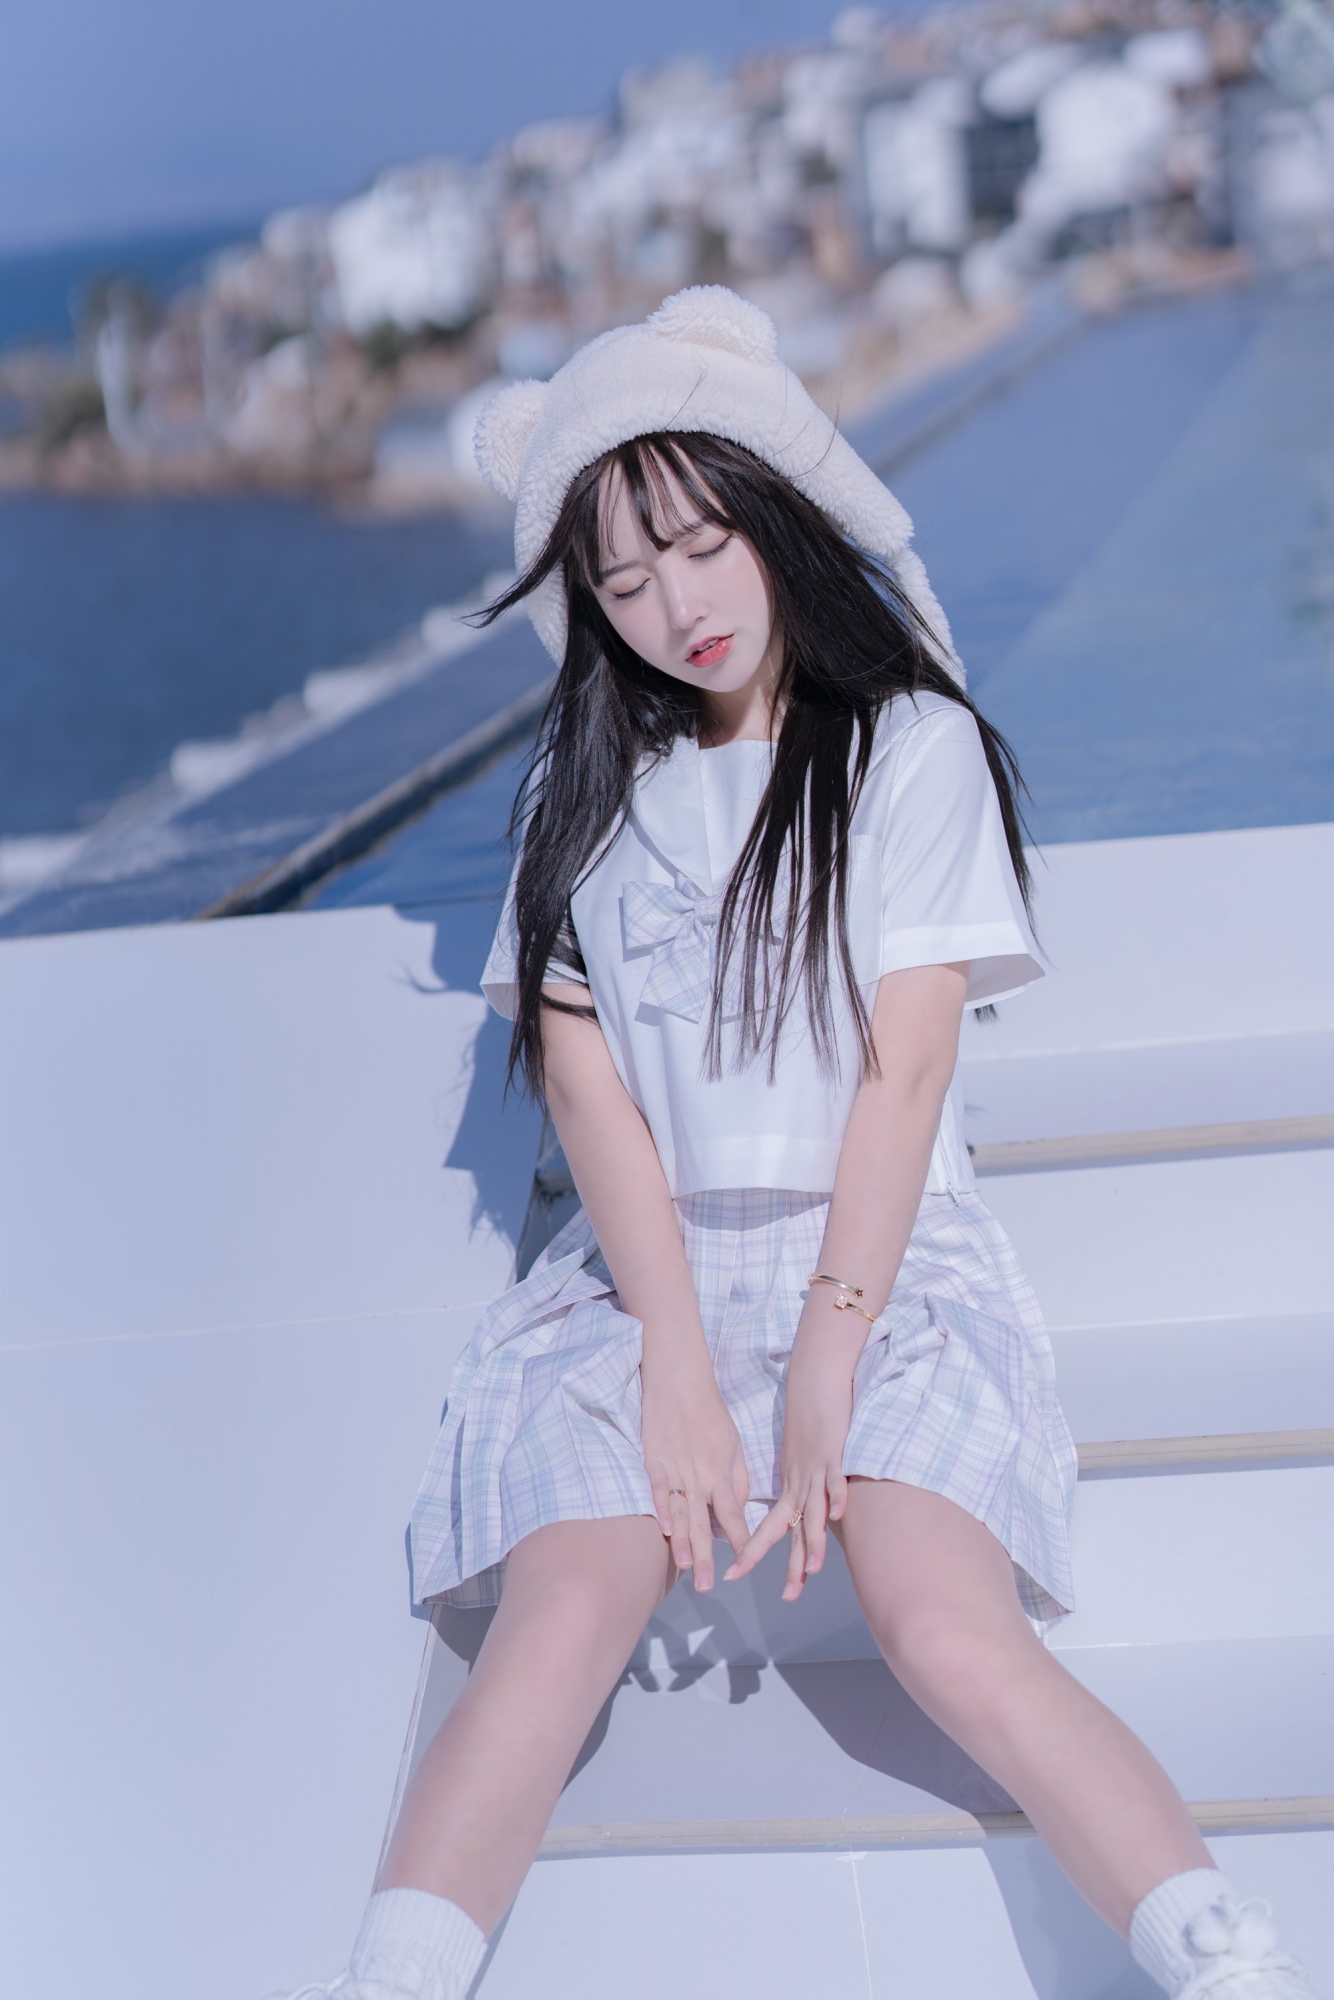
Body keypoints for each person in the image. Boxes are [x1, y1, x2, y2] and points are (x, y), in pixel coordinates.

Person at [283, 288, 1316, 2000]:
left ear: (778, 516)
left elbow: (903, 1078)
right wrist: (676, 1359)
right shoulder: (578, 793)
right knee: (552, 1631)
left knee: (943, 1629)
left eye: (702, 546)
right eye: (623, 581)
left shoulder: (909, 748)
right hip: (644, 1282)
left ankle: (1233, 1967)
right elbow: (588, 1091)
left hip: (882, 1260)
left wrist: (829, 1345)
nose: (674, 607)